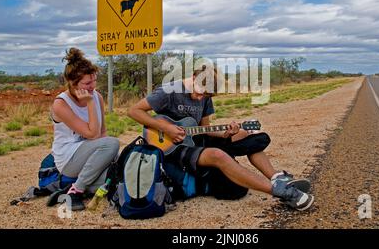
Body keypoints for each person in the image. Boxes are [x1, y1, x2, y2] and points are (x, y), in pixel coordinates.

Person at [128, 66, 314, 211]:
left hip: (195, 139)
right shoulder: (168, 91)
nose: (201, 98)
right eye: (199, 92)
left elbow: (204, 129)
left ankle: (276, 177)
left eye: (206, 95)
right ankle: (282, 192)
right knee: (217, 155)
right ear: (193, 77)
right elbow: (133, 111)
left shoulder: (204, 97)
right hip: (171, 149)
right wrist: (166, 127)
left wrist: (227, 132)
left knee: (246, 135)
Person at [50, 48, 119, 211]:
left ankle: (73, 187)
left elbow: (102, 133)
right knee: (112, 143)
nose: (92, 86)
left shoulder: (97, 96)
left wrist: (111, 159)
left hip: (90, 154)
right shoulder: (61, 104)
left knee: (117, 174)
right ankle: (76, 191)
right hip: (69, 158)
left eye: (94, 81)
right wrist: (89, 103)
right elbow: (93, 134)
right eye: (87, 83)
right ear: (73, 84)